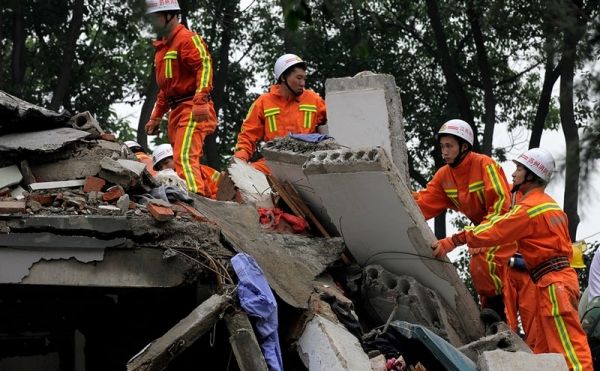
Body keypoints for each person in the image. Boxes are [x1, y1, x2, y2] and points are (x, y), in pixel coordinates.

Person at [433, 148, 593, 370]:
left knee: (570, 351)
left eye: (519, 169)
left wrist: (455, 240)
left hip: (553, 284)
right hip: (552, 282)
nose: (513, 174)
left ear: (532, 175)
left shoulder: (530, 208)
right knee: (548, 351)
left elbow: (495, 229)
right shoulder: (549, 205)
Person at [413, 119, 516, 320]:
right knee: (481, 268)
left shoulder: (485, 164)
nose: (444, 151)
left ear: (465, 146)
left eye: (449, 146)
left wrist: (475, 236)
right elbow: (424, 204)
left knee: (483, 260)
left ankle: (498, 314)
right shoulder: (444, 175)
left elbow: (501, 207)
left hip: (508, 225)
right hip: (487, 229)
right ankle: (497, 319)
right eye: (442, 146)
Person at [144, 0, 217, 197]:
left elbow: (205, 66)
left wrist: (200, 100)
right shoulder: (162, 49)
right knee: (180, 157)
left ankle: (194, 198)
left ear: (171, 15)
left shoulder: (186, 39)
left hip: (191, 107)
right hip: (175, 110)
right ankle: (190, 196)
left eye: (156, 18)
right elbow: (166, 89)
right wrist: (156, 116)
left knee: (184, 156)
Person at [233, 54, 327, 175]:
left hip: (306, 162)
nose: (303, 83)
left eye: (304, 78)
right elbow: (247, 136)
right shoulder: (263, 102)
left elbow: (334, 124)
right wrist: (239, 162)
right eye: (298, 78)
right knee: (244, 175)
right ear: (283, 77)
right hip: (274, 164)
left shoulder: (314, 100)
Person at [151, 143, 220, 198]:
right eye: (160, 167)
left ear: (176, 157)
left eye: (166, 163)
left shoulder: (195, 171)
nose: (164, 168)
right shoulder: (166, 181)